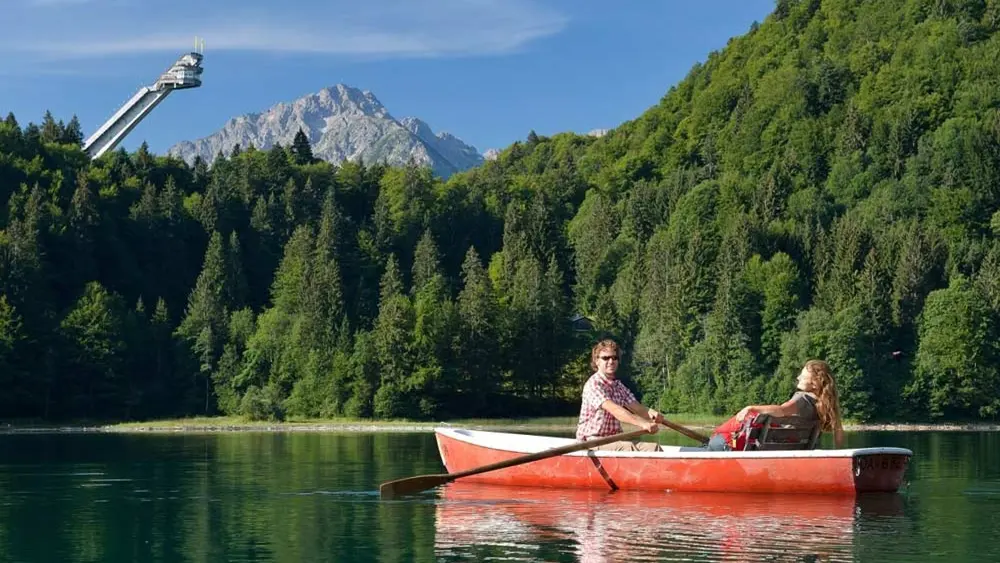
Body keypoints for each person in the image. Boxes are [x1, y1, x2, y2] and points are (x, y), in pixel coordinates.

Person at [706, 359, 845, 451]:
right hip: (791, 451)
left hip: (764, 449)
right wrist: (839, 455)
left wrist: (751, 407)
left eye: (802, 376)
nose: (798, 378)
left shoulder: (803, 399)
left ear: (815, 383)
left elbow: (781, 410)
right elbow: (838, 431)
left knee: (714, 444)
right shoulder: (826, 405)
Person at [576, 339, 665, 451]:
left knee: (654, 448)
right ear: (596, 361)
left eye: (614, 357)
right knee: (636, 448)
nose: (611, 361)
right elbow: (615, 410)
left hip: (614, 440)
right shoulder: (593, 385)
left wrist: (653, 414)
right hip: (592, 441)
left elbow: (637, 408)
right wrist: (643, 423)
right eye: (606, 358)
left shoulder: (618, 386)